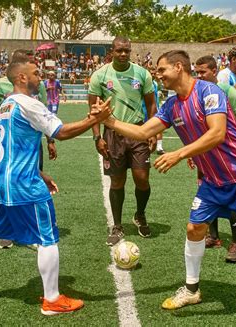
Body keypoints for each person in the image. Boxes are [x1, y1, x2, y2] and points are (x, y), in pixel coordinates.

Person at [101, 50, 236, 327]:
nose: (158, 74)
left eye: (162, 69)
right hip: (213, 182)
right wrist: (109, 121)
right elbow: (143, 132)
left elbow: (217, 133)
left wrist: (179, 154)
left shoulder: (208, 92)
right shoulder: (171, 105)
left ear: (179, 67)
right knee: (194, 228)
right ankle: (191, 290)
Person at [0, 54, 112, 315]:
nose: (41, 77)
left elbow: (17, 147)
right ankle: (52, 299)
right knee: (47, 237)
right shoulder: (28, 102)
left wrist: (39, 171)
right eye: (36, 73)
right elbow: (62, 132)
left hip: (2, 182)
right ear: (21, 77)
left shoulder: (6, 105)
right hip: (24, 185)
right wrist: (96, 119)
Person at [88, 36, 157, 246]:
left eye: (126, 50)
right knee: (117, 181)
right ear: (112, 51)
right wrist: (97, 137)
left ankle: (140, 214)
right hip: (112, 134)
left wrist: (154, 131)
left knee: (142, 178)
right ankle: (117, 225)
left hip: (138, 131)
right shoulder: (100, 75)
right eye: (119, 51)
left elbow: (151, 105)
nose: (123, 54)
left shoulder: (142, 73)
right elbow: (93, 110)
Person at [0, 49, 55, 249]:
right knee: (18, 183)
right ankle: (11, 234)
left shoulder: (35, 85)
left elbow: (44, 114)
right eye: (29, 63)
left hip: (31, 140)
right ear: (19, 69)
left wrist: (50, 141)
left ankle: (29, 231)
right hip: (10, 144)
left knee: (30, 177)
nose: (36, 72)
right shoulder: (1, 85)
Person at [194, 55, 236, 262]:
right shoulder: (196, 93)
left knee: (234, 199)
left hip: (230, 155)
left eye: (203, 72)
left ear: (214, 71)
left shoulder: (228, 91)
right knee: (206, 190)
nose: (199, 76)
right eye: (197, 72)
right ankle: (214, 236)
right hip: (206, 154)